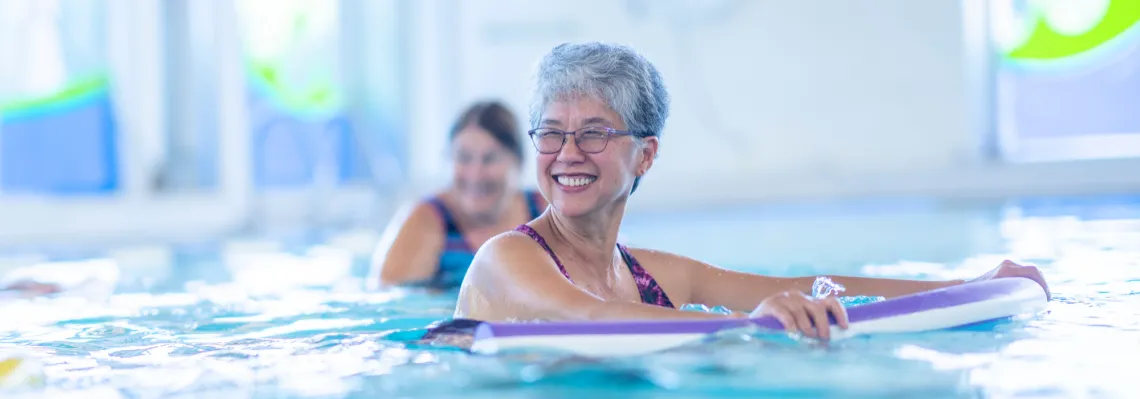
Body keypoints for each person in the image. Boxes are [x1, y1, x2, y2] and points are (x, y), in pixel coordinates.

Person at [452, 42, 1051, 341]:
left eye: (594, 134)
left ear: (647, 154)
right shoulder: (506, 258)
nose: (568, 155)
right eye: (552, 135)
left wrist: (969, 285)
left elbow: (817, 287)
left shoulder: (651, 276)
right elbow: (592, 318)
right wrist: (747, 326)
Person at [369, 101, 547, 290]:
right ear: (448, 160)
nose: (475, 174)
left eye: (490, 159)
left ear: (518, 162)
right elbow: (390, 299)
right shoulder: (427, 220)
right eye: (463, 158)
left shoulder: (543, 212)